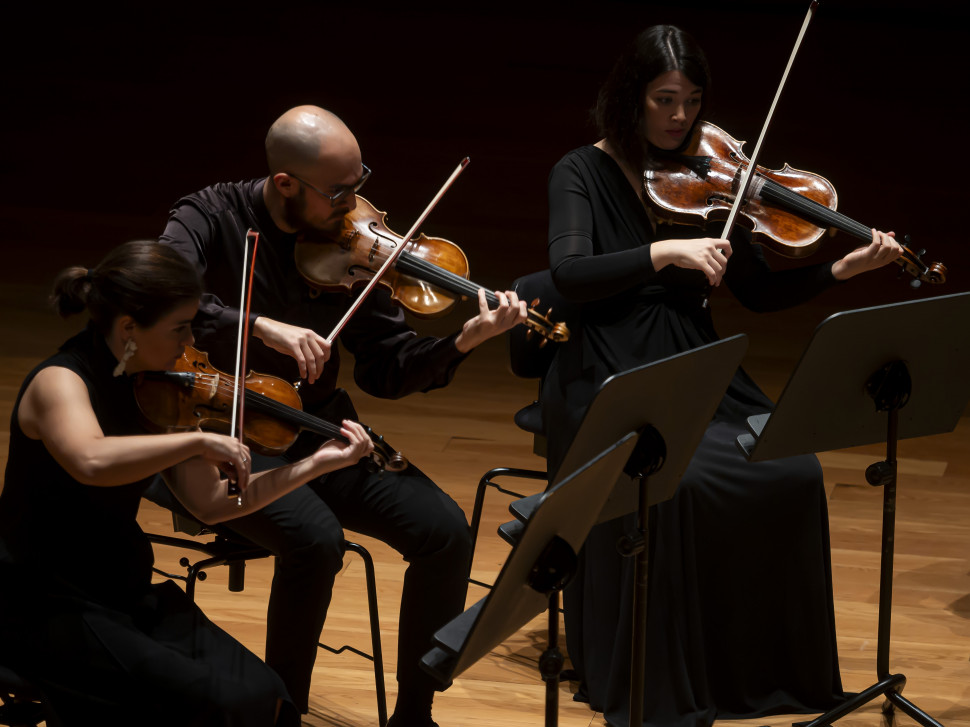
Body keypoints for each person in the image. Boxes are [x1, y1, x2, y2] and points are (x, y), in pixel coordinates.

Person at [542, 24, 904, 727]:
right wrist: (665, 253)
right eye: (664, 99)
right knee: (678, 485)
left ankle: (756, 670)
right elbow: (568, 274)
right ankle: (670, 677)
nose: (680, 117)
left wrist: (837, 269)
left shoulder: (713, 180)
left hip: (693, 359)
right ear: (631, 99)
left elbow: (761, 294)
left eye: (692, 100)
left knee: (790, 470)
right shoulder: (579, 171)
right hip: (610, 364)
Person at [151, 104, 527, 726]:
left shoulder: (350, 248)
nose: (354, 207)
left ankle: (414, 715)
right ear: (284, 185)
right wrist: (258, 324)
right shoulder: (209, 215)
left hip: (317, 427)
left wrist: (463, 340)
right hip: (220, 429)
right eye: (339, 192)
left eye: (361, 185)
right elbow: (159, 292)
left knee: (446, 532)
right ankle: (282, 715)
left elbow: (388, 368)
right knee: (316, 542)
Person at [0, 241, 375, 727]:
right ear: (129, 327)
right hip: (43, 604)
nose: (189, 341)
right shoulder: (61, 382)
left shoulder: (162, 390)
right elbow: (90, 459)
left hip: (122, 589)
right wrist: (194, 444)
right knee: (213, 705)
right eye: (179, 327)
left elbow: (214, 504)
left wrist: (316, 465)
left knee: (269, 695)